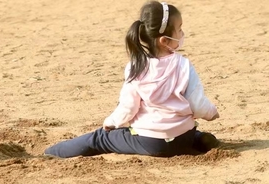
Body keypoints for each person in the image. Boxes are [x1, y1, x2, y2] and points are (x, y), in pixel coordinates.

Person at [45, 2, 220, 158]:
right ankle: (199, 139)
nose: (182, 33)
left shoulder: (136, 67)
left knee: (99, 138)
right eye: (180, 29)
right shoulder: (184, 65)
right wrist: (211, 113)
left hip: (149, 141)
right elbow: (197, 104)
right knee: (183, 131)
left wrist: (111, 122)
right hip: (183, 138)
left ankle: (52, 152)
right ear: (165, 40)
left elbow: (129, 107)